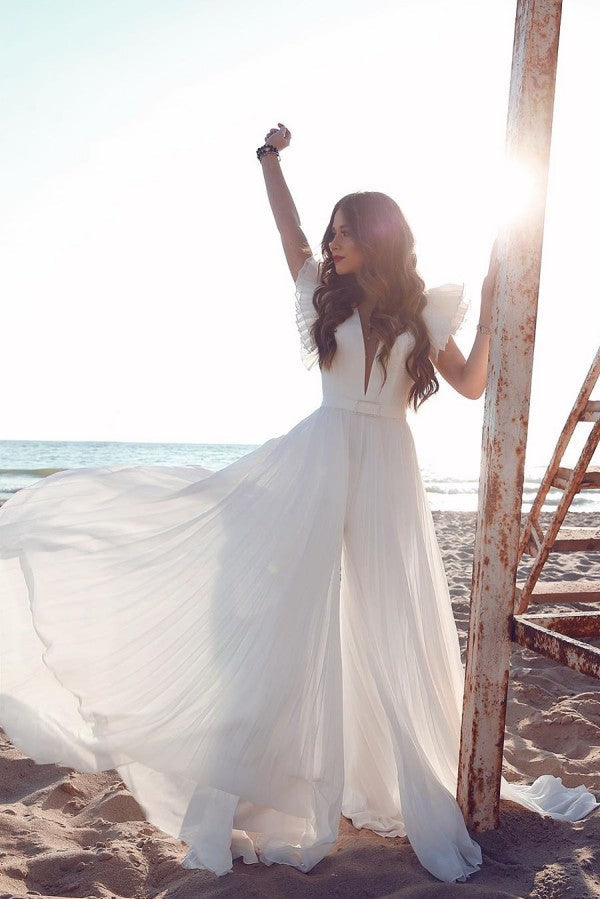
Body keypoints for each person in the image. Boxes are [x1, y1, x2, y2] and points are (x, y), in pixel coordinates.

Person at [0, 122, 596, 887]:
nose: (332, 241)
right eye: (331, 230)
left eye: (346, 232)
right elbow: (287, 233)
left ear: (377, 240)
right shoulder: (323, 293)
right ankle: (262, 782)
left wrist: (486, 302)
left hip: (387, 471)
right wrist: (269, 161)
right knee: (288, 620)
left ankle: (397, 770)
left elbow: (476, 384)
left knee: (389, 621)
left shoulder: (419, 313)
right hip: (317, 463)